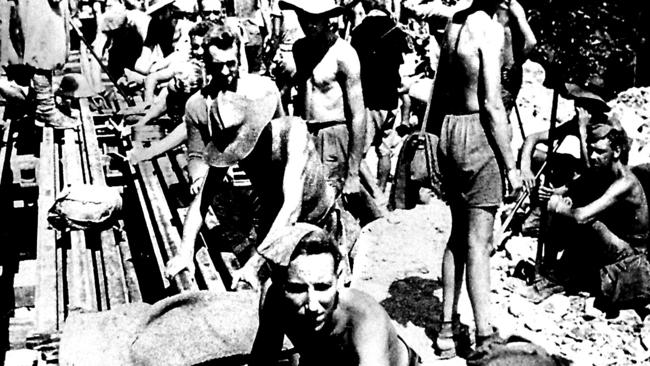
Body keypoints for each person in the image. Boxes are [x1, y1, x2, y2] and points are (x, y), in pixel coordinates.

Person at [170, 23, 357, 290]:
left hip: (317, 224)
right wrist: (185, 252)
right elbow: (203, 198)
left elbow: (291, 209)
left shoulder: (295, 137)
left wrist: (254, 266)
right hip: (276, 222)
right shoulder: (233, 129)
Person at [428, 0, 523, 358]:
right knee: (479, 243)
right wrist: (511, 166)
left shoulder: (453, 26)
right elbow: (493, 104)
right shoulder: (489, 29)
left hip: (451, 128)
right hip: (479, 132)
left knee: (458, 234)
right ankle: (484, 336)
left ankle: (446, 331)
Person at [250, 224, 421, 366]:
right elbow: (263, 360)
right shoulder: (274, 297)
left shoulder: (366, 320)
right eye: (297, 289)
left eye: (322, 287)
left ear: (339, 277)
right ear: (280, 284)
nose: (313, 306)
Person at [280, 0, 384, 225]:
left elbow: (358, 114)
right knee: (302, 202)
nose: (308, 24)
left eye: (314, 18)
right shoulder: (300, 49)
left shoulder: (344, 54)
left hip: (333, 135)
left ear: (327, 18)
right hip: (305, 133)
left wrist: (354, 173)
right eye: (302, 17)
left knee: (332, 207)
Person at [543, 119, 649, 299]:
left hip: (632, 253)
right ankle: (550, 270)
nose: (592, 156)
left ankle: (559, 276)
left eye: (600, 152)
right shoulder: (601, 171)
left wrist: (558, 206)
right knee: (567, 207)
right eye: (591, 150)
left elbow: (581, 217)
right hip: (615, 241)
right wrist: (547, 195)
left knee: (589, 223)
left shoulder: (625, 183)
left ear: (616, 152)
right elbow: (562, 190)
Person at [351, 0, 410, 193]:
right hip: (391, 100)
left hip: (370, 100)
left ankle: (373, 193)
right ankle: (383, 189)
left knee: (359, 152)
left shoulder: (359, 32)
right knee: (385, 151)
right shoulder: (396, 31)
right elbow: (401, 61)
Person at [0, 0, 79, 129]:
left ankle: (39, 101)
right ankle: (45, 108)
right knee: (43, 51)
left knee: (37, 48)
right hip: (40, 6)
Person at [519, 83, 612, 191]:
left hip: (598, 177)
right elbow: (533, 137)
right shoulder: (575, 123)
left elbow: (589, 170)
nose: (577, 108)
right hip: (582, 168)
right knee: (535, 155)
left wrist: (582, 130)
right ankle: (536, 196)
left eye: (582, 104)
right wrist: (525, 167)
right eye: (576, 103)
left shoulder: (608, 127)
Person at [495, 0, 536, 114]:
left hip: (506, 74)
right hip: (496, 72)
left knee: (500, 119)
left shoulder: (512, 6)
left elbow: (531, 42)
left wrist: (514, 66)